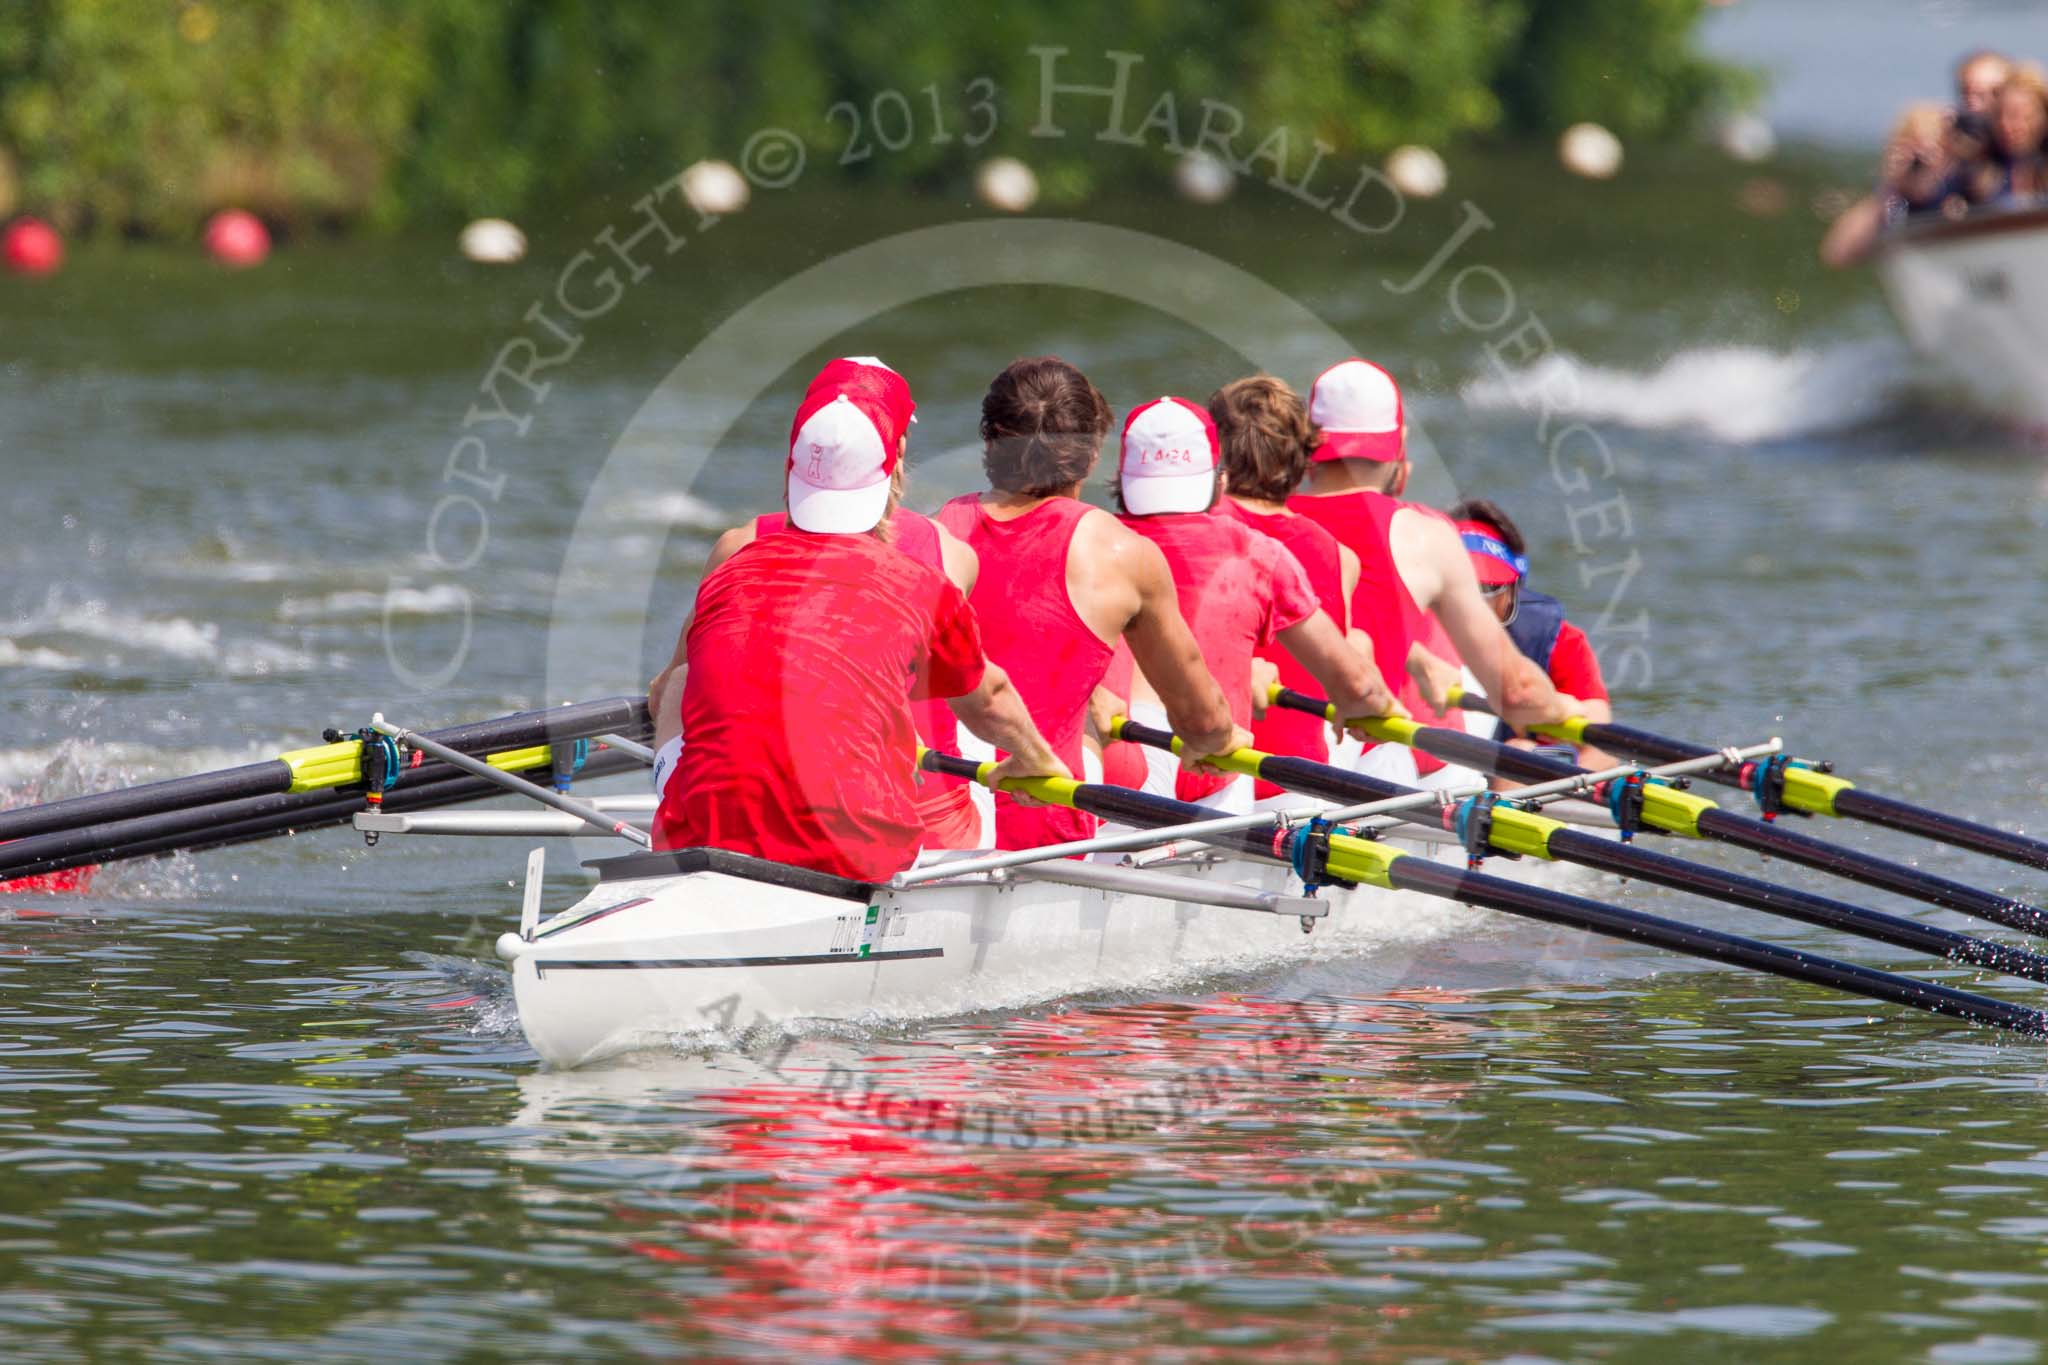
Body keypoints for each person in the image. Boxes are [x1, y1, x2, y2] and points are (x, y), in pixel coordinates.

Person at [652, 365, 1067, 882]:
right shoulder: (927, 575)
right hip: (860, 855)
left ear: (791, 467)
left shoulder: (732, 563)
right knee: (968, 723)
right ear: (894, 465)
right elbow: (991, 697)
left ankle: (687, 808)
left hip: (699, 837)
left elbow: (662, 693)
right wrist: (1039, 762)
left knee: (681, 679)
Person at [935, 356, 1241, 849]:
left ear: (990, 441)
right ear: (1094, 453)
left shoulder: (939, 530)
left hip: (948, 818)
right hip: (1053, 821)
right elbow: (1198, 718)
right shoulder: (1123, 553)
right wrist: (1219, 743)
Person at [1289, 358, 1576, 781]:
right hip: (1361, 769)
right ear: (1399, 444)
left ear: (1309, 445)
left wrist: (1416, 658)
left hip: (1252, 761)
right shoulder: (1425, 534)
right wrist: (1570, 715)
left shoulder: (1263, 519)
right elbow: (1514, 689)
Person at [1114, 394, 1403, 812]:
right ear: (1219, 480)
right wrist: (1371, 707)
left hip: (1122, 776)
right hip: (1221, 778)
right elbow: (1355, 684)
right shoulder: (1257, 553)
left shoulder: (1096, 545)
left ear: (1122, 478)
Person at [1209, 375, 1373, 804]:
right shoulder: (1341, 558)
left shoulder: (1193, 533)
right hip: (1306, 788)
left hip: (1218, 782)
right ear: (1304, 457)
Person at [1445, 497, 1619, 773]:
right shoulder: (1408, 629)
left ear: (1515, 588)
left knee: (1520, 754)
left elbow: (1602, 749)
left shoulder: (1559, 640)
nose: (1471, 603)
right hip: (1431, 780)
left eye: (1487, 587)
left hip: (1512, 788)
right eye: (1460, 584)